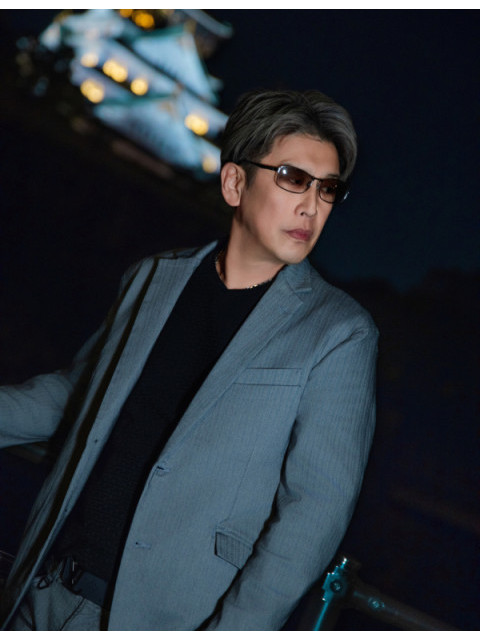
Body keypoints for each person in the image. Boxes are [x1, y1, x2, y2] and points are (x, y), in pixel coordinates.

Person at [0, 89, 378, 631]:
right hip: (46, 591)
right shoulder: (156, 277)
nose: (312, 206)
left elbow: (314, 514)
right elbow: (77, 394)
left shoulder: (339, 333)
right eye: (293, 178)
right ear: (234, 183)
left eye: (328, 188)